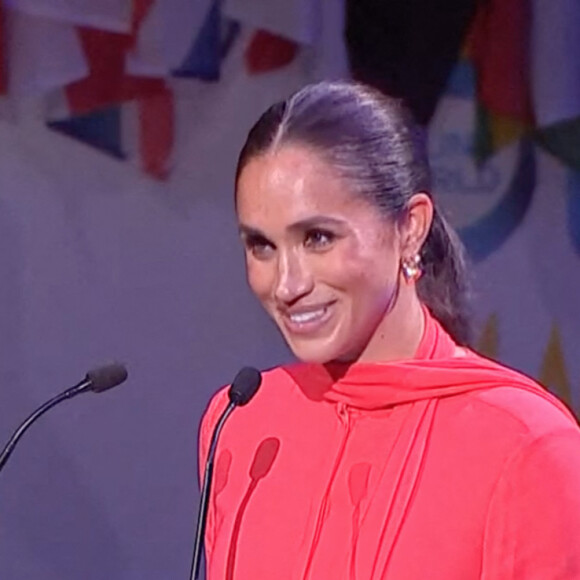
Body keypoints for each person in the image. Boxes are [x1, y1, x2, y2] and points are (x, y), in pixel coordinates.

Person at [199, 81, 580, 580]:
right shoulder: (243, 423)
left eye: (317, 238)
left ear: (410, 228)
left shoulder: (528, 445)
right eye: (262, 246)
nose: (286, 284)